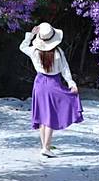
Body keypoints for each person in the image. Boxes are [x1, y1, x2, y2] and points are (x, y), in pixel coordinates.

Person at [19, 22, 84, 157]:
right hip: (53, 83)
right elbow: (65, 70)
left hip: (39, 83)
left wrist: (31, 35)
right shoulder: (58, 52)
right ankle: (46, 147)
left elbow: (22, 46)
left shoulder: (34, 51)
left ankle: (44, 146)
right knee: (51, 116)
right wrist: (71, 83)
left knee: (43, 115)